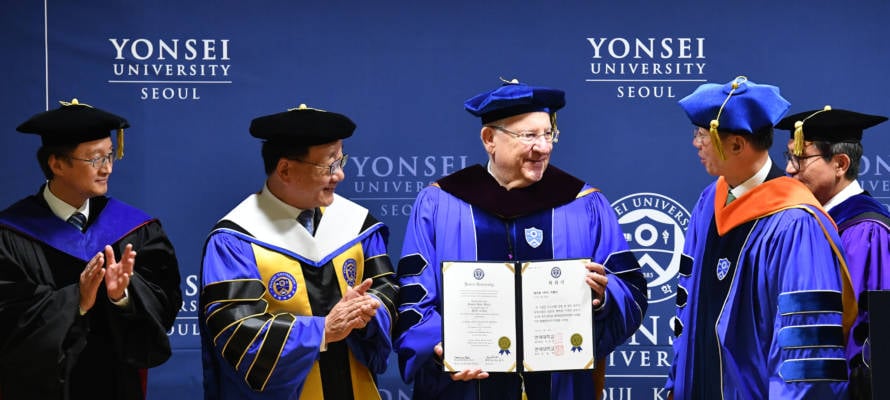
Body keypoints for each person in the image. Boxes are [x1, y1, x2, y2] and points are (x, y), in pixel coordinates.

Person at [393, 79, 648, 399]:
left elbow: (631, 290)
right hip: (464, 388)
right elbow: (414, 296)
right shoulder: (439, 203)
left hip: (559, 385)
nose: (543, 147)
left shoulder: (585, 205)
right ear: (489, 139)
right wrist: (437, 345)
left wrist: (603, 299)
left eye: (547, 134)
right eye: (529, 136)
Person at [665, 76, 857, 399]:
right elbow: (688, 309)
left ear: (737, 145)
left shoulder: (795, 224)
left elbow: (805, 355)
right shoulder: (708, 203)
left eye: (701, 134)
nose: (695, 143)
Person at [199, 103, 398, 400]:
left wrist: (369, 309)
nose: (340, 175)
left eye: (341, 161)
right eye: (329, 165)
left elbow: (386, 287)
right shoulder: (236, 239)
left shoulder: (356, 225)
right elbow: (237, 330)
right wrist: (322, 331)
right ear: (285, 169)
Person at [0, 99, 183, 399]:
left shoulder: (135, 231)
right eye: (95, 159)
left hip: (116, 384)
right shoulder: (10, 235)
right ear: (56, 164)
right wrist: (77, 301)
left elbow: (166, 301)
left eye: (110, 156)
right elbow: (7, 321)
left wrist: (123, 296)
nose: (108, 168)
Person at [777, 106, 890, 399]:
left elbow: (865, 334)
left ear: (840, 164)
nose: (789, 169)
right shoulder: (806, 222)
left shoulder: (866, 231)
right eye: (789, 157)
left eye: (800, 158)